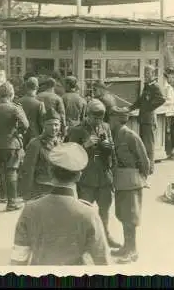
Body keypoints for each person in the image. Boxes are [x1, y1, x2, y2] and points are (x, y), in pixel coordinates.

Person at [10, 142, 110, 266]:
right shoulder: (88, 213)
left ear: (50, 172)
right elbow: (102, 261)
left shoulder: (30, 209)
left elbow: (18, 259)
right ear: (79, 176)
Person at [65, 99, 121, 248]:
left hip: (104, 176)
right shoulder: (77, 130)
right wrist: (85, 145)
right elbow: (71, 154)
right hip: (87, 178)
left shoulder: (105, 127)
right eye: (95, 118)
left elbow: (112, 151)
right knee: (85, 212)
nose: (98, 121)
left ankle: (105, 237)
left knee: (105, 211)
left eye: (101, 118)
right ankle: (85, 241)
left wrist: (107, 146)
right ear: (87, 115)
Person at [108, 107, 151, 264]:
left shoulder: (130, 135)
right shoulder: (114, 134)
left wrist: (141, 178)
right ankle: (126, 246)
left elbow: (144, 160)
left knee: (130, 217)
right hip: (120, 180)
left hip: (131, 181)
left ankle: (133, 251)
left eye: (111, 118)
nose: (109, 121)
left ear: (118, 119)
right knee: (122, 214)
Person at [0, 82, 29, 211]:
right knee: (11, 172)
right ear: (11, 94)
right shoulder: (15, 108)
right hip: (11, 144)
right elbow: (25, 124)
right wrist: (18, 132)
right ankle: (12, 202)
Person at [128, 65, 166, 174]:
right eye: (145, 73)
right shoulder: (147, 86)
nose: (145, 76)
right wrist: (129, 108)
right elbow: (140, 101)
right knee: (144, 144)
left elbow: (161, 99)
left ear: (153, 74)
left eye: (148, 73)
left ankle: (150, 168)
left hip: (149, 120)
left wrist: (148, 107)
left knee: (149, 145)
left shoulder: (155, 87)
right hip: (143, 119)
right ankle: (145, 165)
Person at [19, 108, 61, 201]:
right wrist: (27, 193)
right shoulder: (35, 144)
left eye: (56, 125)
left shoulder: (60, 143)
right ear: (43, 125)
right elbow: (28, 169)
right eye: (50, 125)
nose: (54, 128)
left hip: (58, 187)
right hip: (41, 188)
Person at [18, 77, 46, 148]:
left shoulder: (18, 102)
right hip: (34, 134)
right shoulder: (39, 104)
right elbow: (42, 122)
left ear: (26, 87)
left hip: (21, 134)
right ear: (37, 87)